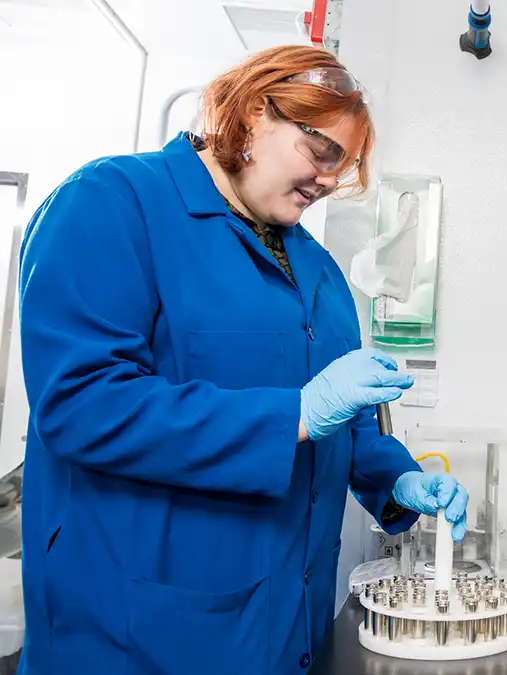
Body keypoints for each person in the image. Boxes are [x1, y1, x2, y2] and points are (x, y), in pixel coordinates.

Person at [17, 46, 469, 674]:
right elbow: (82, 404)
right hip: (139, 636)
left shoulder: (318, 268)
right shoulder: (113, 202)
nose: (329, 181)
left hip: (286, 631)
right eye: (321, 152)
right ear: (256, 113)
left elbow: (340, 420)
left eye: (342, 167)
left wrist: (393, 478)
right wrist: (295, 415)